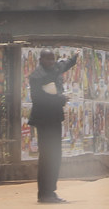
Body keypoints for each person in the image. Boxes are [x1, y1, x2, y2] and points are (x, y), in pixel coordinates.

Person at [28, 49, 78, 204]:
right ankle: (44, 194)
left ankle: (51, 191)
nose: (51, 62)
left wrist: (74, 57)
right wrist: (60, 99)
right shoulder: (36, 76)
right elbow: (38, 99)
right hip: (44, 120)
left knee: (55, 156)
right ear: (40, 59)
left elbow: (65, 64)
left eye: (53, 59)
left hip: (55, 118)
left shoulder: (56, 67)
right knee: (47, 157)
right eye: (47, 59)